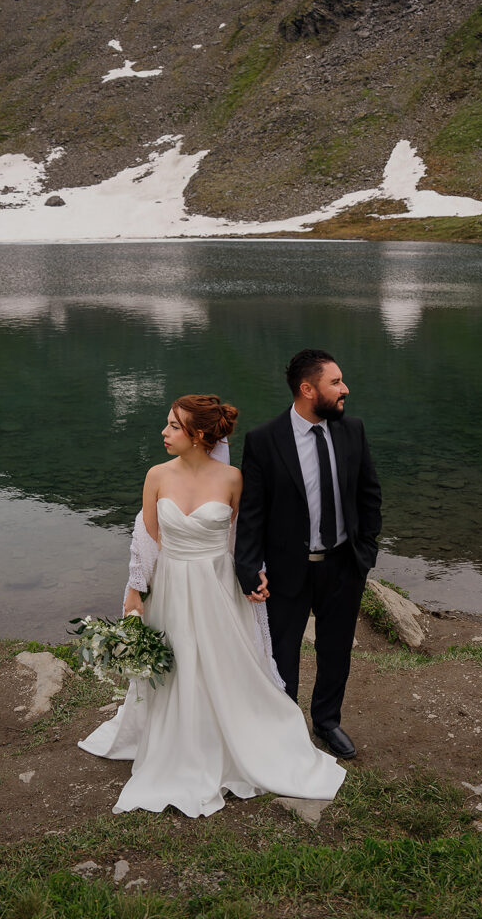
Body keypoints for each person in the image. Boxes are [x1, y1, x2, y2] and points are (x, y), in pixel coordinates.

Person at [78, 394, 345, 817]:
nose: (164, 433)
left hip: (218, 586)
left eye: (172, 426)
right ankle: (177, 741)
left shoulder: (233, 478)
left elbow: (244, 539)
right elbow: (146, 540)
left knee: (223, 663)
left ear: (198, 434)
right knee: (177, 661)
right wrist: (134, 593)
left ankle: (233, 739)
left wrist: (254, 576)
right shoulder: (156, 475)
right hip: (171, 584)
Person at [234, 350, 382, 760]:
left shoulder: (353, 430)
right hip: (286, 570)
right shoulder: (264, 440)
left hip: (343, 566)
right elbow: (252, 512)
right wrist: (247, 566)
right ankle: (284, 724)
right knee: (283, 650)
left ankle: (327, 721)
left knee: (336, 649)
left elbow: (369, 496)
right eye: (335, 382)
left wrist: (364, 552)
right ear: (307, 389)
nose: (344, 389)